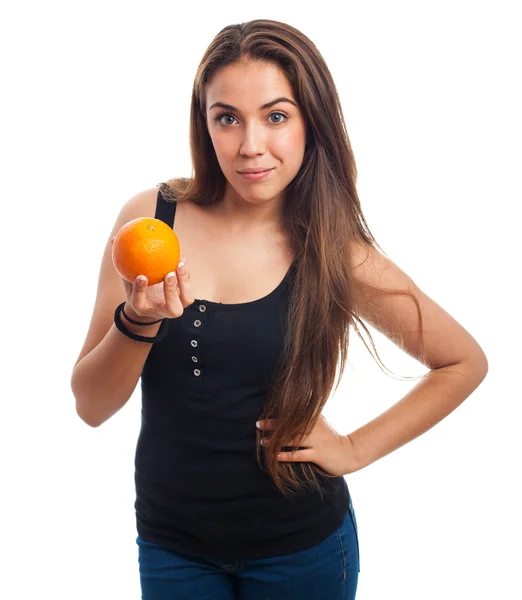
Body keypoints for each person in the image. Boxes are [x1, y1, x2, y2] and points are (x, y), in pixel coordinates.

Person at [70, 18, 488, 600]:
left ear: (309, 121)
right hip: (171, 547)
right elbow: (90, 406)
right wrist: (139, 322)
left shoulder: (332, 249)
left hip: (303, 551)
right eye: (227, 118)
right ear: (205, 123)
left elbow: (464, 361)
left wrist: (354, 449)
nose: (249, 146)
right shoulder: (150, 221)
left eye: (275, 115)